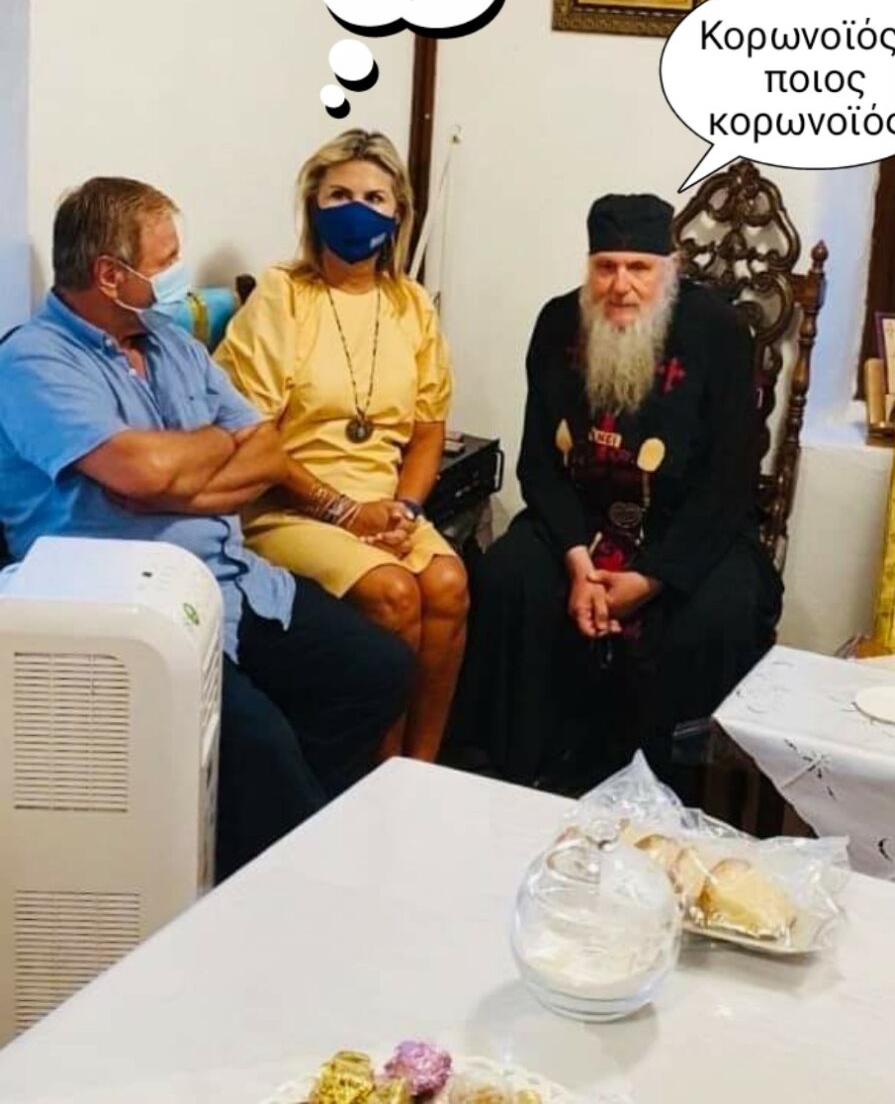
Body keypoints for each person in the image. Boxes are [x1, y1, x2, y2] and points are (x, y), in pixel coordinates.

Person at [0, 177, 413, 880]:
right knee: (263, 747)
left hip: (236, 582)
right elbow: (138, 470)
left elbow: (267, 446)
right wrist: (210, 452)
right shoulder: (33, 361)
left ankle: (273, 846)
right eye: (164, 261)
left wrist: (177, 481)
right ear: (109, 274)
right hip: (134, 614)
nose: (178, 276)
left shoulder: (170, 342)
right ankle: (283, 858)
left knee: (379, 671)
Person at [453, 193, 782, 799]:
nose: (621, 285)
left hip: (688, 531)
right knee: (507, 577)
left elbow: (729, 482)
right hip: (582, 522)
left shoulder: (718, 332)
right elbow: (539, 464)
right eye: (606, 267)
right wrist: (579, 564)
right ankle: (516, 778)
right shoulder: (559, 323)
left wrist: (651, 578)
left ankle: (668, 797)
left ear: (671, 267)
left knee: (714, 618)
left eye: (639, 268)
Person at [214, 130, 467, 762]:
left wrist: (405, 509)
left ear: (398, 213)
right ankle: (374, 781)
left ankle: (422, 770)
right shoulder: (283, 295)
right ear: (314, 205)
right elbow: (253, 437)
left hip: (386, 508)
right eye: (340, 195)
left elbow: (428, 429)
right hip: (291, 506)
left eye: (374, 198)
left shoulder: (411, 305)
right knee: (395, 593)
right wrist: (345, 511)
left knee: (448, 583)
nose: (357, 210)